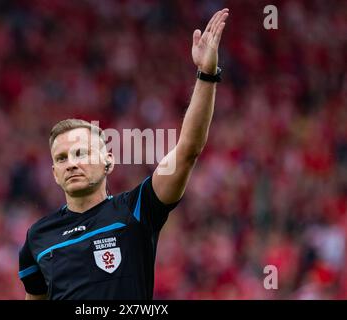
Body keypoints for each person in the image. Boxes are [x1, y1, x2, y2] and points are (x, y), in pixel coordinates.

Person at [18, 8, 229, 300]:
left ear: (108, 162)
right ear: (54, 174)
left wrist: (206, 75)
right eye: (62, 159)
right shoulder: (37, 237)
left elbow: (187, 152)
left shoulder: (135, 209)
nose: (72, 164)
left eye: (81, 153)